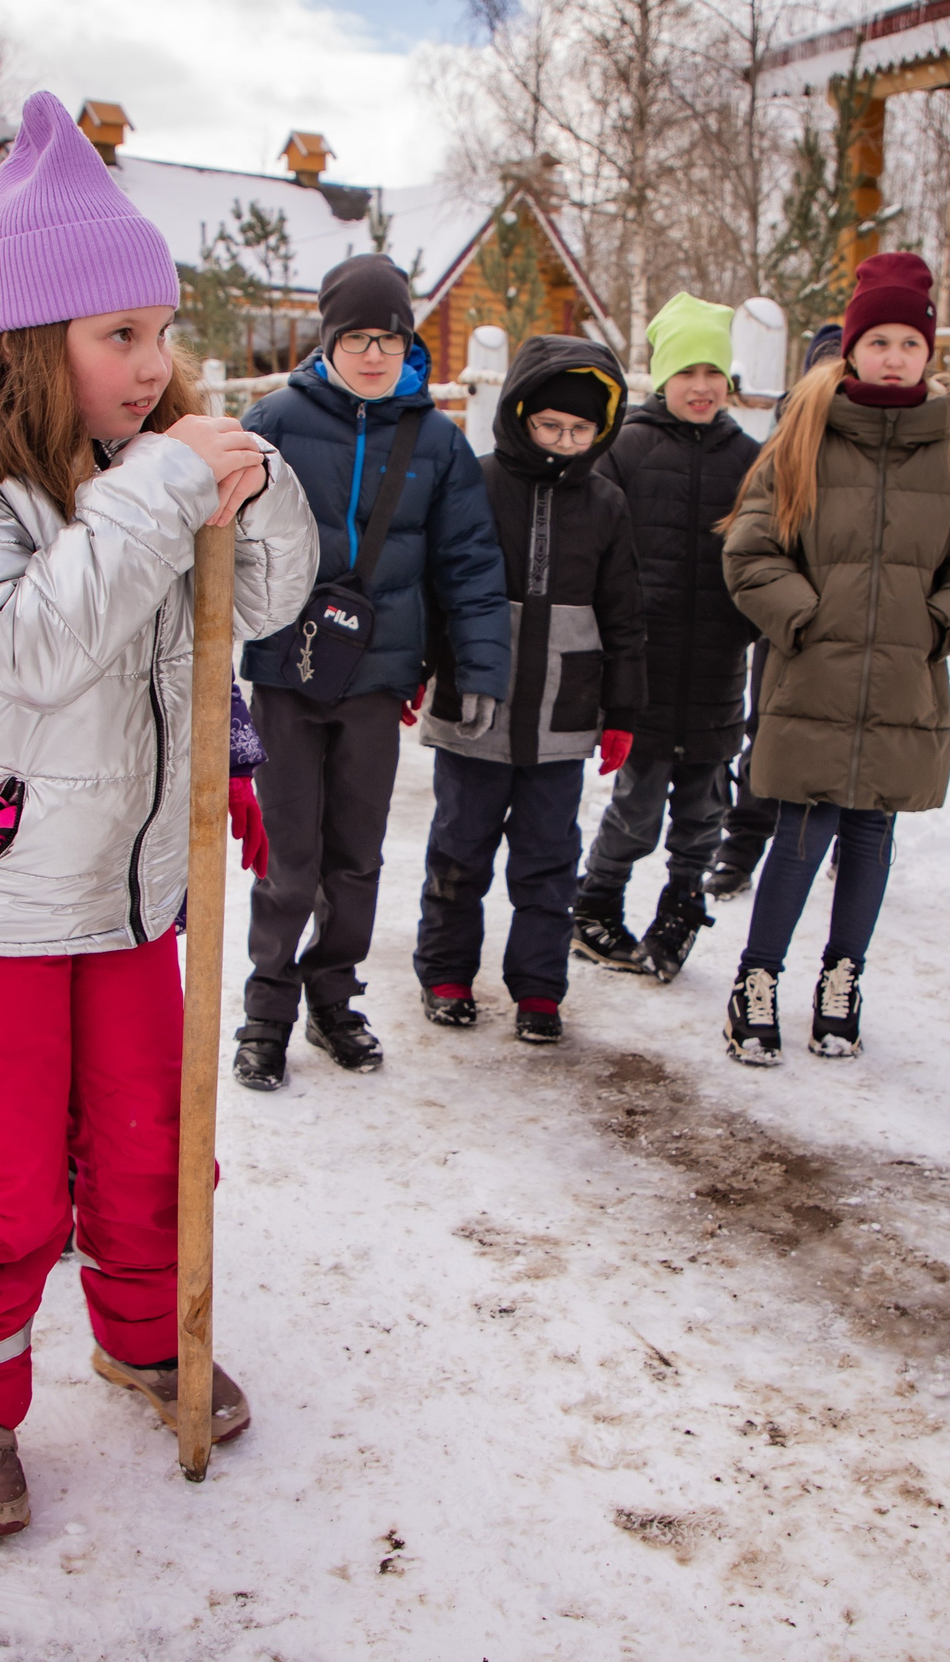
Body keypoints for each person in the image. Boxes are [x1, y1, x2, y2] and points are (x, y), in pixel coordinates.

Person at [0, 92, 317, 1541]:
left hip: (122, 892)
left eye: (160, 332)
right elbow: (30, 647)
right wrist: (167, 488)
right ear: (31, 340)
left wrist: (256, 481)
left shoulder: (140, 471)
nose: (153, 363)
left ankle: (142, 1328)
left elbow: (271, 598)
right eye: (119, 335)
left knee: (147, 1139)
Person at [717, 256, 950, 1066]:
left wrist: (939, 623)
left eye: (908, 343)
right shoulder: (807, 437)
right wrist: (805, 617)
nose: (893, 356)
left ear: (928, 355)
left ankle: (842, 979)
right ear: (850, 351)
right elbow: (750, 549)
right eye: (877, 340)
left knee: (873, 834)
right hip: (813, 674)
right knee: (803, 832)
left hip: (899, 683)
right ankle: (757, 979)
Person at [232, 255, 511, 1089]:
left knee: (355, 854)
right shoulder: (273, 420)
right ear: (328, 342)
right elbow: (225, 542)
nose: (373, 354)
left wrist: (475, 669)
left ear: (407, 344)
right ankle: (266, 1011)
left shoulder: (437, 442)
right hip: (287, 669)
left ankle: (333, 997)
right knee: (288, 853)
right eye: (356, 337)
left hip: (379, 677)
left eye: (388, 338)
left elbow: (469, 563)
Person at [413, 335, 644, 1042]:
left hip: (562, 712)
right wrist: (415, 671)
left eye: (580, 430)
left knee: (549, 857)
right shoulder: (477, 482)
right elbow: (436, 585)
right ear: (519, 414)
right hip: (473, 704)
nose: (565, 441)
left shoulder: (606, 503)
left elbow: (627, 613)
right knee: (460, 844)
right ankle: (447, 971)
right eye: (551, 425)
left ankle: (539, 989)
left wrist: (623, 709)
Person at [570, 293, 761, 981]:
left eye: (714, 370)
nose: (702, 385)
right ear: (663, 377)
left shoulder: (753, 459)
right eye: (688, 371)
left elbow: (769, 554)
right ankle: (595, 904)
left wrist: (748, 622)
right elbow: (597, 553)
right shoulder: (625, 449)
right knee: (638, 805)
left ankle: (681, 908)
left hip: (716, 667)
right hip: (645, 669)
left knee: (704, 807)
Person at [706, 320, 840, 900]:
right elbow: (758, 533)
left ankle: (843, 843)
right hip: (791, 618)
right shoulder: (789, 436)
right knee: (767, 731)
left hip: (864, 626)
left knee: (854, 743)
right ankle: (743, 841)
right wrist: (793, 608)